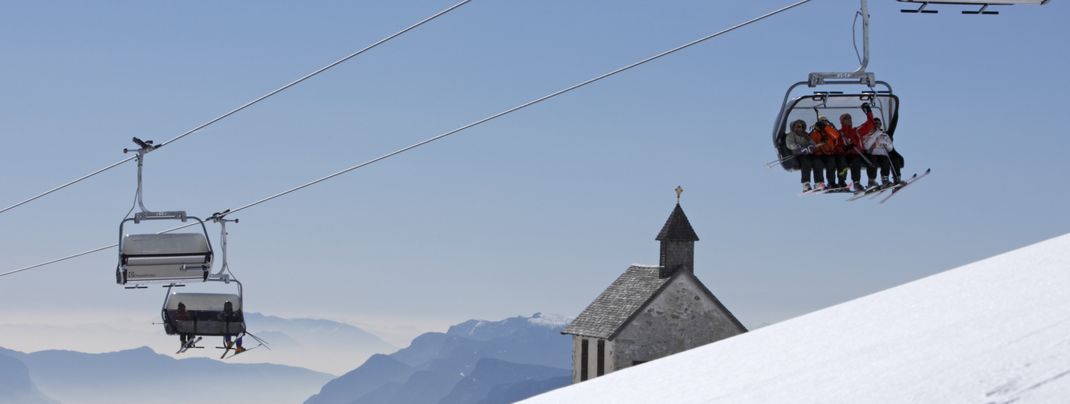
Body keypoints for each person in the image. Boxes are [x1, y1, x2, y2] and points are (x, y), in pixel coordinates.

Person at [839, 103, 877, 192]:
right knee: (855, 161)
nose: (849, 120)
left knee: (872, 158)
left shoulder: (856, 131)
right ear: (842, 121)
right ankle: (856, 183)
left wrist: (869, 111)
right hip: (848, 155)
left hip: (860, 153)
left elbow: (870, 124)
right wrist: (845, 149)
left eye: (850, 118)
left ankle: (871, 181)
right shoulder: (840, 133)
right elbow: (837, 146)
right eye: (846, 118)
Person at [784, 119, 825, 191]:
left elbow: (813, 143)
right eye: (798, 126)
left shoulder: (805, 134)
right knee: (806, 162)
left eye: (802, 126)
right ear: (794, 127)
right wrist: (798, 147)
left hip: (807, 153)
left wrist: (811, 146)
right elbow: (789, 144)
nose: (800, 128)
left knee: (817, 160)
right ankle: (805, 184)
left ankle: (819, 182)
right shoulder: (791, 135)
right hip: (798, 154)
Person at [810, 116, 846, 190]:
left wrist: (826, 128)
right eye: (822, 121)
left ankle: (832, 182)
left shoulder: (829, 131)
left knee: (832, 162)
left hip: (829, 154)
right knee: (817, 162)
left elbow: (836, 136)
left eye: (825, 121)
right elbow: (811, 144)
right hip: (818, 154)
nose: (824, 122)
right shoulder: (815, 133)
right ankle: (819, 182)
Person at [864, 117, 898, 188]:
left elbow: (890, 148)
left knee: (885, 160)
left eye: (879, 123)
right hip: (872, 154)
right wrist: (875, 134)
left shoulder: (885, 135)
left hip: (882, 154)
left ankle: (885, 180)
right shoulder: (868, 134)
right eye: (875, 123)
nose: (877, 125)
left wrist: (885, 142)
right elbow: (866, 146)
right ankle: (871, 180)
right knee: (872, 161)